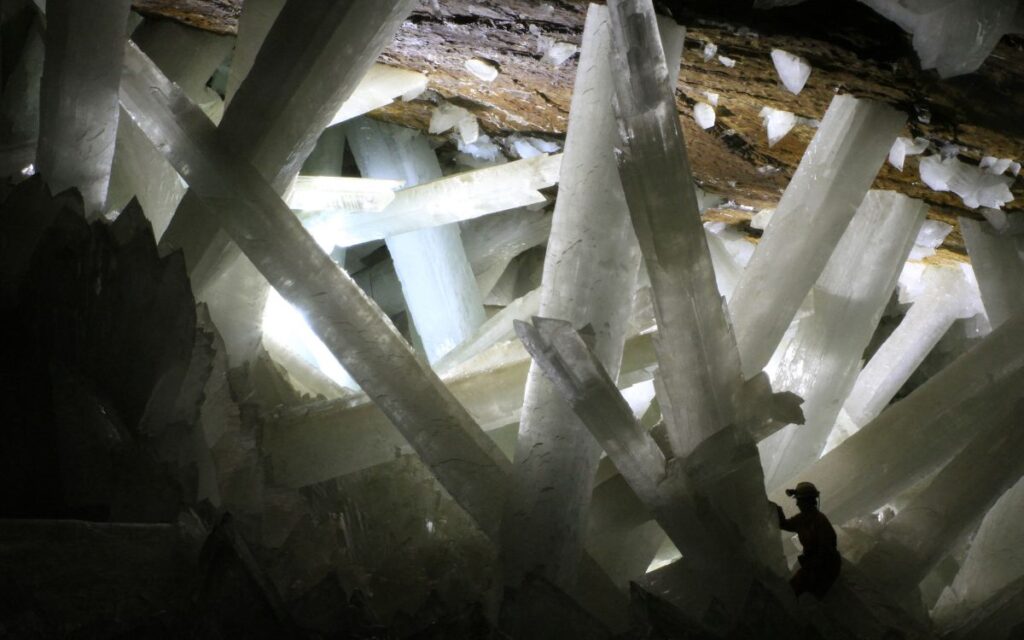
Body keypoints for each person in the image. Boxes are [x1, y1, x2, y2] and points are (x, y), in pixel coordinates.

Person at [772, 481, 841, 598]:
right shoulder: (802, 519)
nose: (797, 504)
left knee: (797, 593)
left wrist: (811, 569)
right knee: (793, 591)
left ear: (807, 502)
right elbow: (784, 524)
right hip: (814, 565)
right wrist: (776, 509)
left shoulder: (819, 521)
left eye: (799, 500)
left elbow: (826, 550)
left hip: (825, 567)